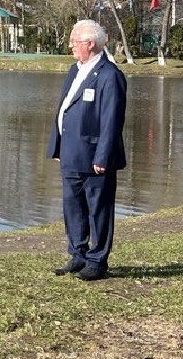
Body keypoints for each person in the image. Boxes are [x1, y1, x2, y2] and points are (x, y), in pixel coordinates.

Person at [47, 19, 127, 281]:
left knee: (98, 209)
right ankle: (77, 254)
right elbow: (65, 108)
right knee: (73, 207)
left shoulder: (109, 75)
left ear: (90, 44)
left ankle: (97, 261)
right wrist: (58, 146)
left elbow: (111, 121)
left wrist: (103, 156)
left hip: (95, 157)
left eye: (74, 41)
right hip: (70, 153)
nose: (70, 46)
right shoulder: (75, 69)